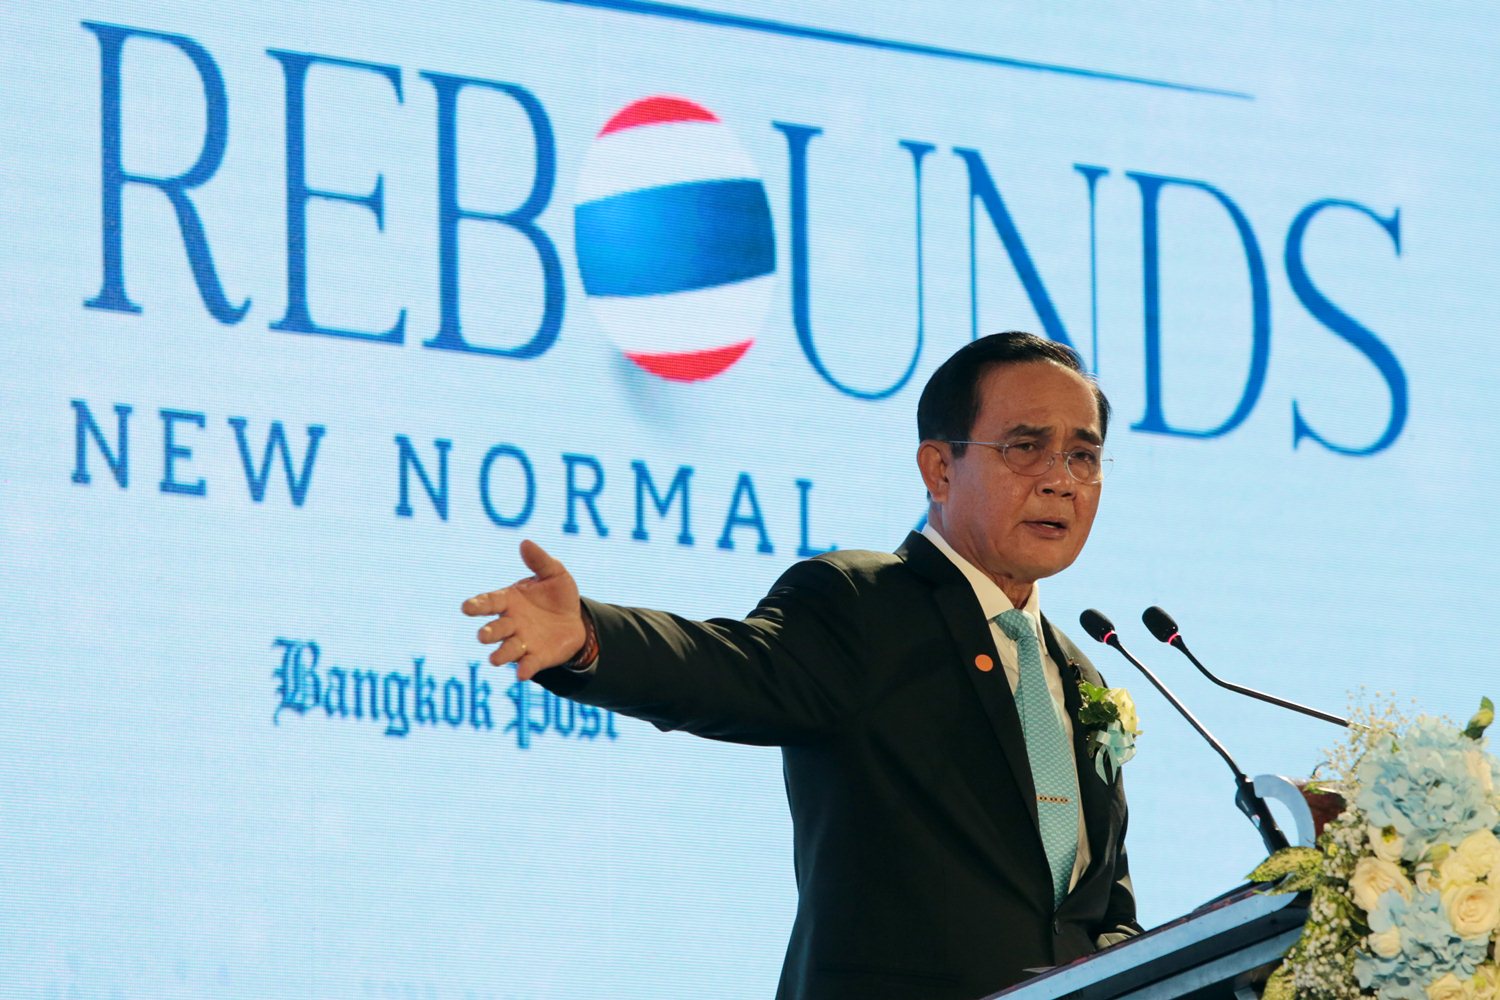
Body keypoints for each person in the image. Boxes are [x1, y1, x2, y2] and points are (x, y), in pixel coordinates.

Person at [462, 332, 1143, 998]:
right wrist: (590, 638)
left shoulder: (1079, 673)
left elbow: (1101, 913)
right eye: (1026, 448)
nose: (1061, 480)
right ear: (939, 469)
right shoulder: (864, 604)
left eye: (1083, 456)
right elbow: (728, 669)